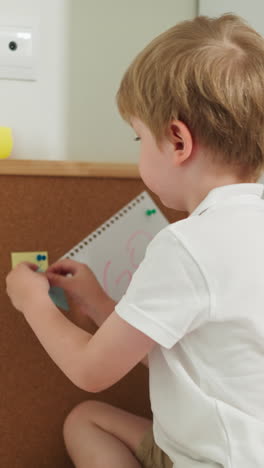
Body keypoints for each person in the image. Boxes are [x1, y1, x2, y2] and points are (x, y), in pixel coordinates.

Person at [6, 12, 264, 468]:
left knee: (84, 417)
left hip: (208, 459)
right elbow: (190, 357)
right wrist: (101, 305)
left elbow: (90, 371)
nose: (138, 149)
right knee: (88, 420)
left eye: (137, 137)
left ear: (177, 141)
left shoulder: (187, 245)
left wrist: (33, 303)